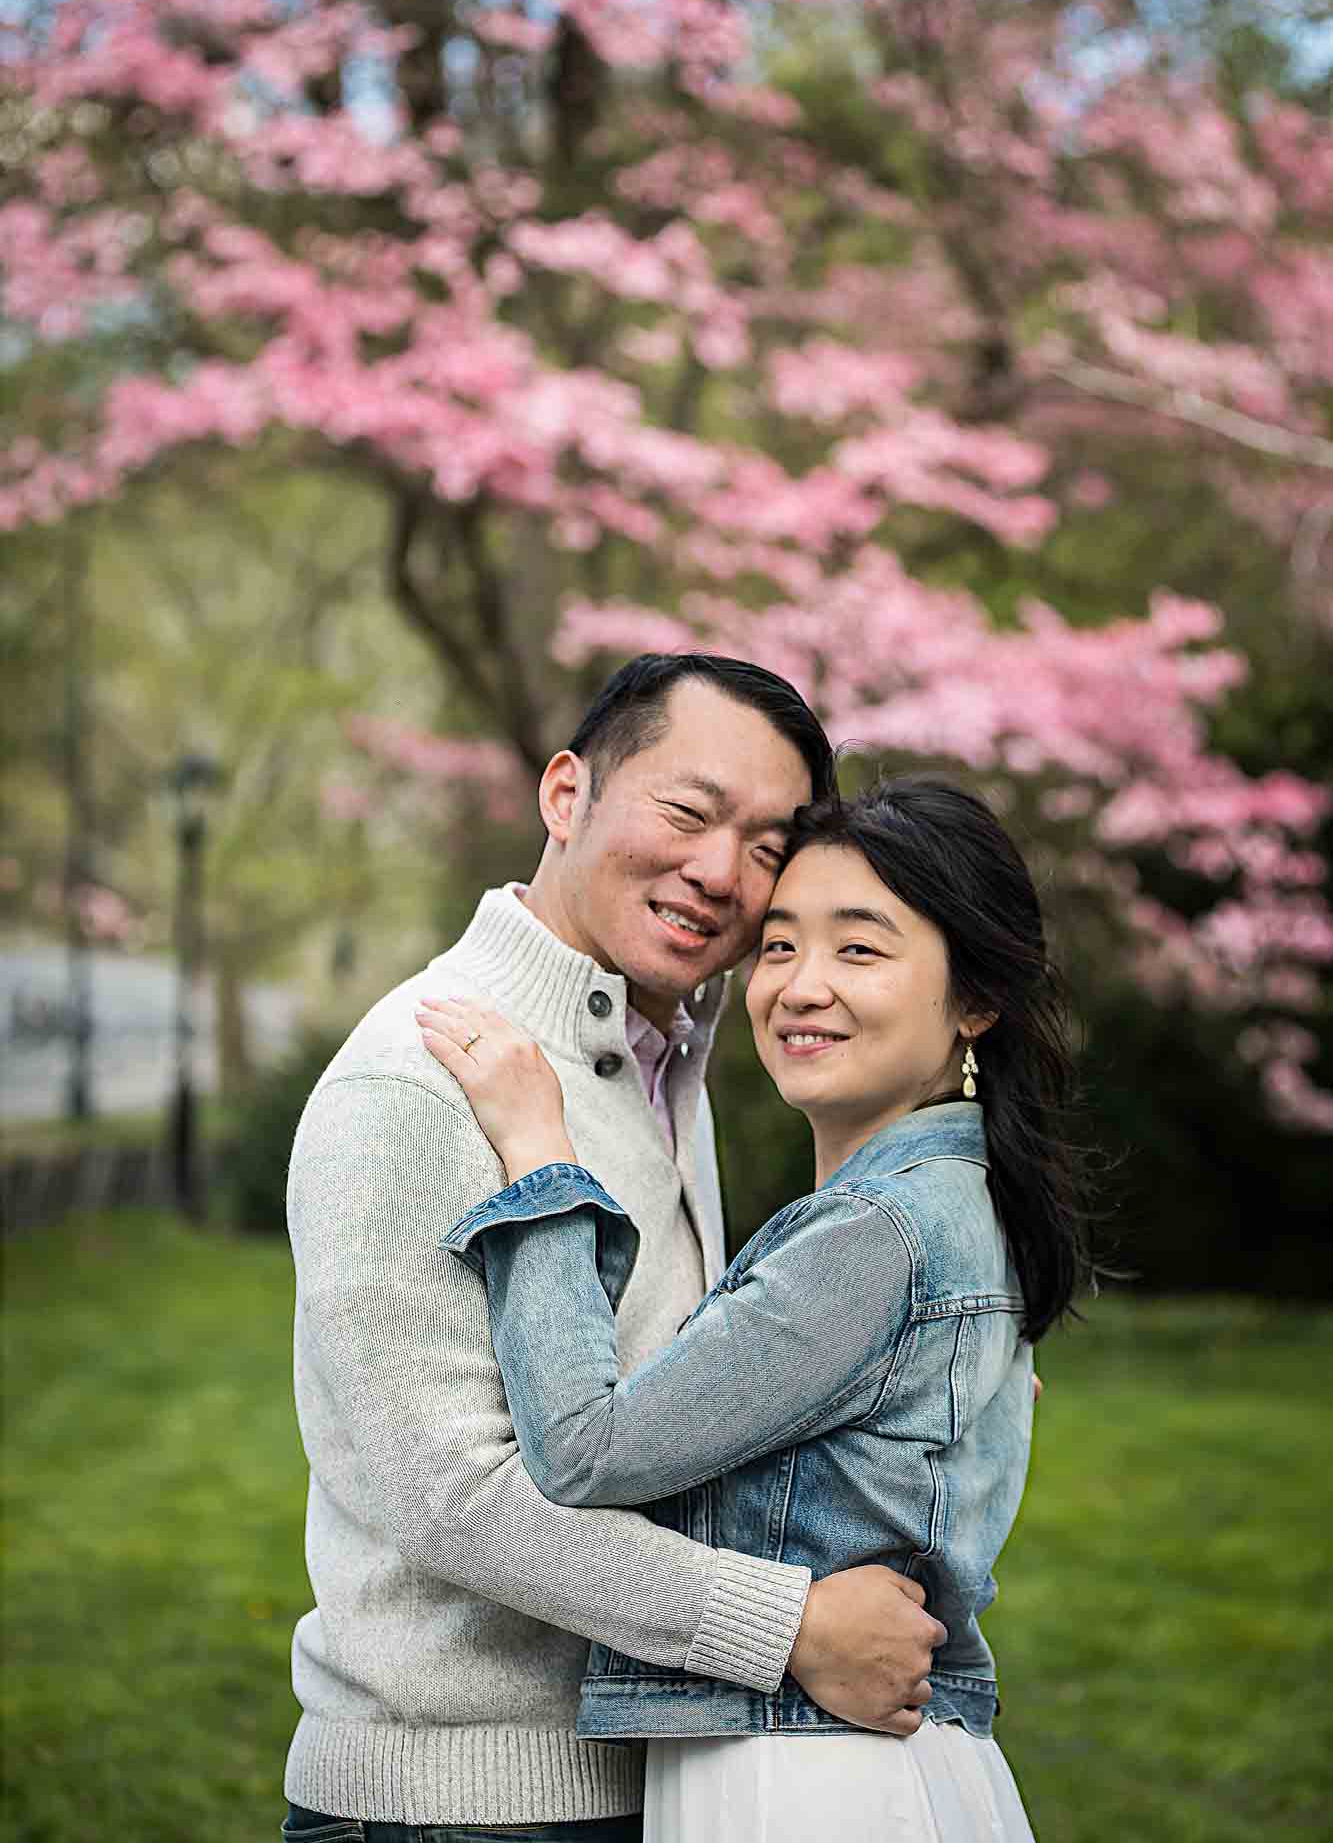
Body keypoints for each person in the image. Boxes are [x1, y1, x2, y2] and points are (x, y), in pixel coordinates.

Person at [282, 656, 948, 1843]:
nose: (717, 871)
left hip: (650, 1776)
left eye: (765, 846)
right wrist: (784, 1626)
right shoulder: (418, 1076)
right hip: (458, 1809)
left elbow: (676, 1397)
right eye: (688, 813)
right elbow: (453, 1497)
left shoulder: (657, 1052)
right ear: (564, 794)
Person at [418, 775, 1092, 1843]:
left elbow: (586, 1449)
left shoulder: (877, 1232)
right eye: (778, 946)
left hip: (811, 1780)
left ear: (973, 998)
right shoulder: (959, 1205)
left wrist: (541, 1157)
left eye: (858, 949)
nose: (800, 986)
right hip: (848, 1760)